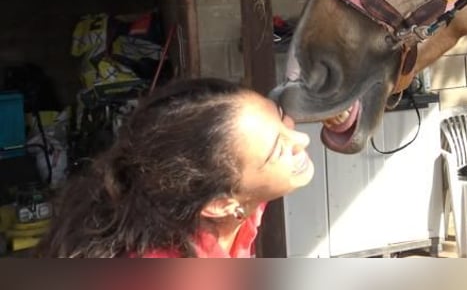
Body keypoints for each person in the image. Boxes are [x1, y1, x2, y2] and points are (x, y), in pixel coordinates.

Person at [35, 77, 314, 258]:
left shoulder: (228, 198)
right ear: (220, 204)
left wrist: (330, 104)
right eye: (278, 148)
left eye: (279, 118)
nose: (303, 138)